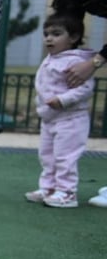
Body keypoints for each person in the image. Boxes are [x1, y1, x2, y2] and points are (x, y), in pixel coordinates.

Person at [22, 13, 97, 209]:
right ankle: (48, 187)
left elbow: (85, 87)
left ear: (73, 37)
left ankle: (67, 192)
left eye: (56, 34)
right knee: (47, 155)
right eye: (46, 34)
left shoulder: (76, 61)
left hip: (71, 118)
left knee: (66, 156)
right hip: (50, 119)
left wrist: (63, 100)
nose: (49, 38)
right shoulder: (50, 59)